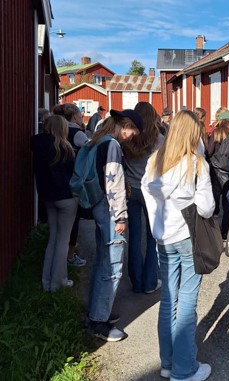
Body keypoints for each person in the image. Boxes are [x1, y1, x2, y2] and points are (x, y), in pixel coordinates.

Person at [142, 110, 214, 381]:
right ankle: (184, 370)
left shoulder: (154, 162)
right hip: (187, 236)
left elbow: (148, 195)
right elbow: (207, 208)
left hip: (163, 237)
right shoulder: (196, 164)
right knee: (187, 300)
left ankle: (168, 363)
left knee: (168, 299)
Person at [86, 108, 143, 342]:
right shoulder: (112, 146)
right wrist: (121, 217)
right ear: (125, 125)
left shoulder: (98, 140)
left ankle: (98, 312)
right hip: (110, 211)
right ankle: (99, 322)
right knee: (112, 267)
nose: (132, 136)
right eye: (133, 131)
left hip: (99, 206)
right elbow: (115, 183)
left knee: (103, 261)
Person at [31, 115, 77, 292]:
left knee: (53, 238)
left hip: (48, 197)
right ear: (62, 129)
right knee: (62, 241)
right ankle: (59, 282)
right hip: (66, 198)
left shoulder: (37, 146)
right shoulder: (65, 148)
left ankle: (46, 281)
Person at [123, 102, 164, 294]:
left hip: (131, 189)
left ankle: (136, 281)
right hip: (150, 191)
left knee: (134, 236)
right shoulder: (159, 140)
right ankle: (149, 282)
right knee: (151, 236)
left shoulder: (129, 140)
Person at [53, 103, 88, 266]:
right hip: (73, 178)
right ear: (74, 116)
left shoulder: (56, 130)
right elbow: (90, 150)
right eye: (80, 115)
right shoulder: (77, 133)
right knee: (74, 219)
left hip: (55, 178)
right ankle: (70, 254)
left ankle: (60, 252)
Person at [207, 112, 229, 238]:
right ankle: (225, 231)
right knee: (228, 203)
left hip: (217, 171)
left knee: (215, 200)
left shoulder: (217, 132)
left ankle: (213, 230)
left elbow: (209, 151)